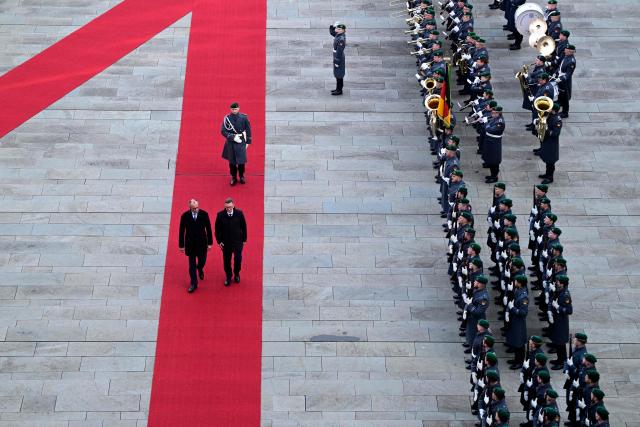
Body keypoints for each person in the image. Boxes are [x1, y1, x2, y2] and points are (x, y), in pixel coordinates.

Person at [178, 199, 213, 293]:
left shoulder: (204, 214)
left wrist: (210, 243)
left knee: (202, 261)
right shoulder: (185, 216)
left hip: (202, 244)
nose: (196, 209)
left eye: (197, 207)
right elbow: (181, 231)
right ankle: (194, 283)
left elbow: (209, 229)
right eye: (194, 208)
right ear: (190, 207)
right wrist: (181, 245)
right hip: (190, 245)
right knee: (191, 266)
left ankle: (200, 268)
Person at [214, 198, 248, 286]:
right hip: (226, 243)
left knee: (238, 259)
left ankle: (237, 273)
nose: (228, 209)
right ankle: (228, 276)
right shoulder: (220, 215)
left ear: (233, 205)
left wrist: (244, 239)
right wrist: (219, 241)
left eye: (229, 207)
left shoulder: (239, 213)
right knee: (226, 261)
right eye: (226, 207)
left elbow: (244, 226)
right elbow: (217, 230)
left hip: (238, 242)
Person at [221, 102, 252, 186]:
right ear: (230, 109)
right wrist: (232, 137)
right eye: (233, 109)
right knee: (232, 162)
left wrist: (248, 140)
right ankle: (233, 177)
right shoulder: (227, 119)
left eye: (236, 109)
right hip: (231, 142)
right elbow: (223, 131)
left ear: (239, 109)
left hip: (241, 141)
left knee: (241, 161)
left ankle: (241, 176)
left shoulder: (244, 118)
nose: (234, 110)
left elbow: (248, 129)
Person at [537, 103, 563, 184]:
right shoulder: (551, 115)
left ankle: (550, 177)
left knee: (551, 161)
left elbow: (555, 133)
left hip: (552, 143)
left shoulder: (557, 120)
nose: (548, 109)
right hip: (547, 141)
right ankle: (547, 174)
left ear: (553, 110)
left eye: (550, 108)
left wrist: (546, 129)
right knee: (547, 159)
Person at [556, 44, 576, 118]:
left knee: (565, 97)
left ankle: (565, 113)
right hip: (560, 78)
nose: (564, 50)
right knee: (560, 95)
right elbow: (560, 67)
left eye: (566, 50)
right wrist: (556, 74)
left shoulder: (571, 62)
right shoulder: (566, 56)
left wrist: (560, 79)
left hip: (565, 82)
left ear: (570, 51)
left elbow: (568, 75)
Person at [329, 22, 347, 95]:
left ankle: (339, 90)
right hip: (336, 55)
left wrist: (337, 61)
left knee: (339, 74)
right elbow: (333, 33)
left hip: (338, 57)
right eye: (337, 28)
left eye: (339, 29)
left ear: (343, 30)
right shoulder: (339, 35)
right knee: (337, 74)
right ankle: (337, 88)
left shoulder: (341, 39)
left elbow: (339, 51)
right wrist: (332, 26)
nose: (337, 30)